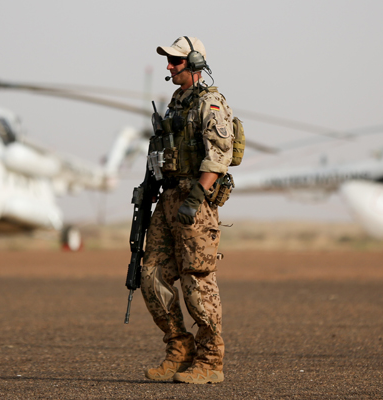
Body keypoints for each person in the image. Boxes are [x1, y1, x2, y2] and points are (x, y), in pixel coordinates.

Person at [140, 36, 235, 385]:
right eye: (168, 61)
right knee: (151, 276)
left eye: (176, 61)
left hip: (194, 202)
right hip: (168, 198)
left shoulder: (210, 103)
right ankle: (179, 350)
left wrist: (196, 198)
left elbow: (219, 155)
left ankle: (211, 361)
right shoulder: (176, 104)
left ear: (194, 62)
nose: (169, 66)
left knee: (197, 280)